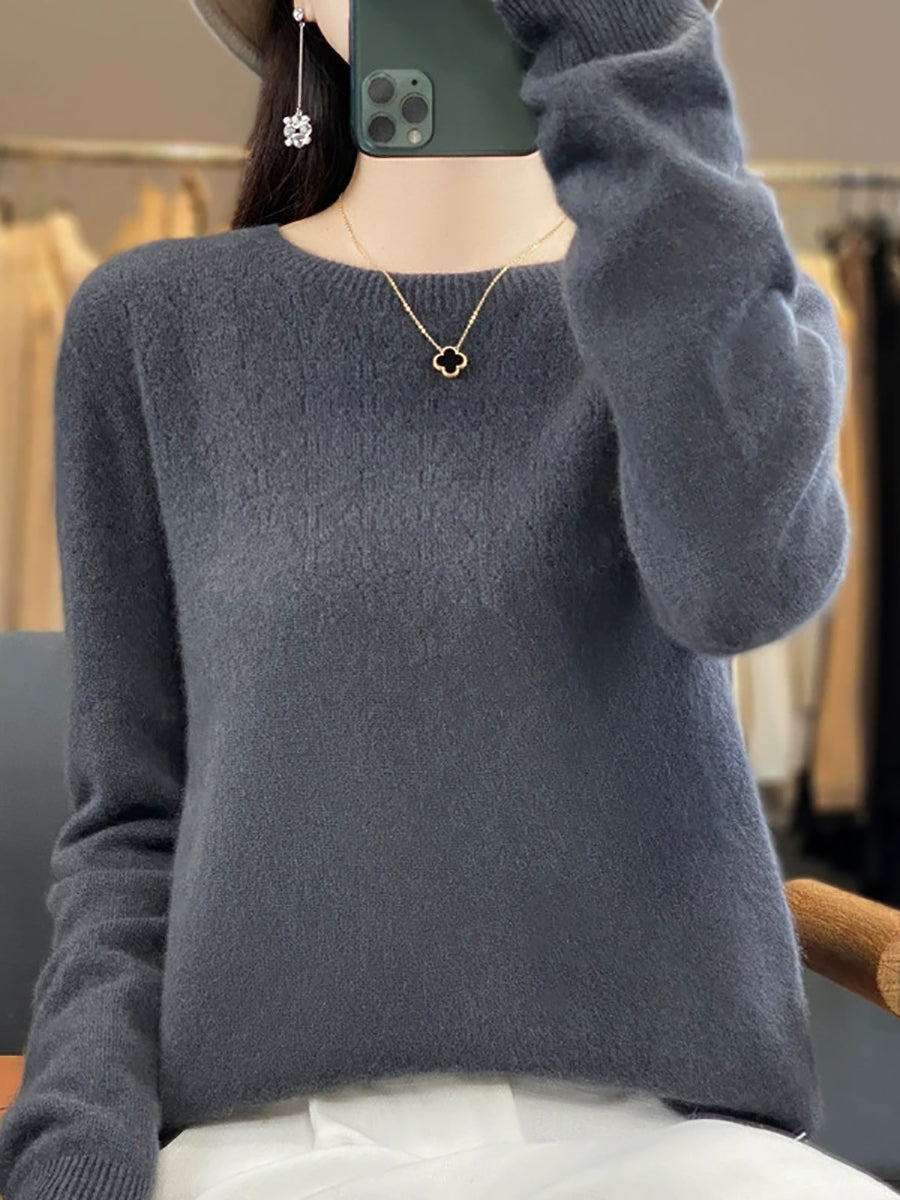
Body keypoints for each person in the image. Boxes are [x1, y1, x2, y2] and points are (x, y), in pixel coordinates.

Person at [0, 0, 895, 1197]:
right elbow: (130, 823)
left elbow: (743, 587)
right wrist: (76, 1146)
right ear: (301, 4)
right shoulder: (151, 328)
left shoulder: (721, 324)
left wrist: (632, 55)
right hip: (276, 1143)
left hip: (668, 1140)